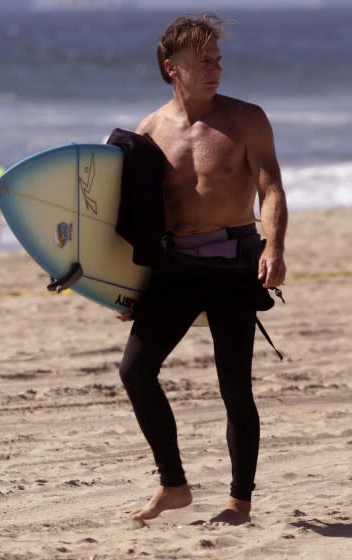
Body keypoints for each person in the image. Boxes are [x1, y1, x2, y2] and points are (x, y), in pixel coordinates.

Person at [115, 14, 287, 525]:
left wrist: (273, 248)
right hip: (175, 269)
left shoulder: (246, 118)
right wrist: (127, 288)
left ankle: (239, 502)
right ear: (173, 68)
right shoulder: (148, 132)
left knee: (235, 386)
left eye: (218, 59)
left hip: (235, 265)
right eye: (203, 60)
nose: (215, 68)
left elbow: (271, 188)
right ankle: (173, 485)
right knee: (135, 370)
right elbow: (136, 219)